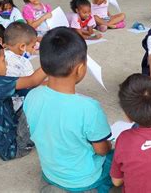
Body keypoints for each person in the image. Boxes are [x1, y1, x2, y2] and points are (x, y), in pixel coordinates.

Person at [23, 27, 113, 192]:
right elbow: (101, 150)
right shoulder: (89, 108)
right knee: (117, 155)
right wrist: (111, 145)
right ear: (80, 69)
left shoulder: (31, 96)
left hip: (50, 172)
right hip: (83, 179)